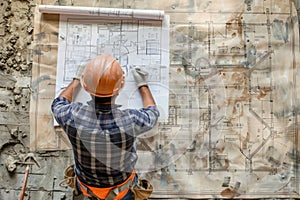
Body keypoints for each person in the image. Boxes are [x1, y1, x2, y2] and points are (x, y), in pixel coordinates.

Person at [51, 53, 159, 200]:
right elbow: (152, 113)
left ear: (85, 85)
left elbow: (58, 104)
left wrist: (76, 80)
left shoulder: (72, 117)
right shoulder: (130, 121)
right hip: (121, 190)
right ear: (121, 86)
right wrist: (143, 85)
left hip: (86, 186)